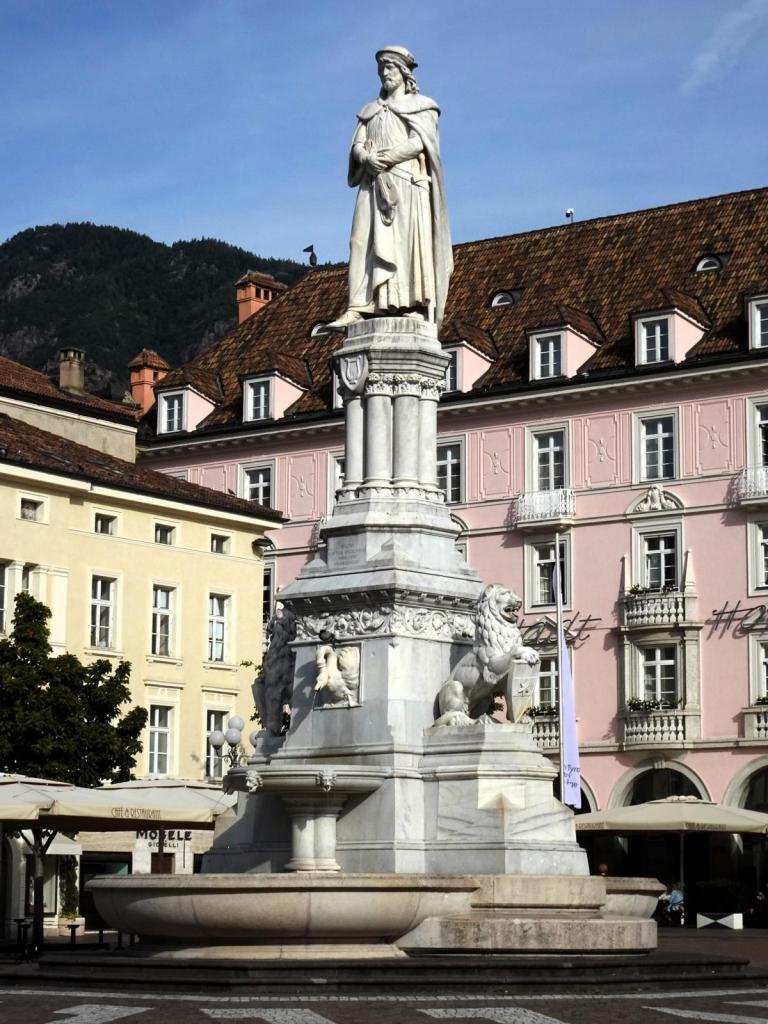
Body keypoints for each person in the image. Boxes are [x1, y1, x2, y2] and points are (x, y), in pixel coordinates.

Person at [329, 46, 453, 330]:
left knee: (405, 246)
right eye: (382, 68)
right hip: (372, 184)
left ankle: (411, 305)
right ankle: (358, 305)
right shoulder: (370, 111)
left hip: (406, 183)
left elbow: (420, 142)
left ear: (404, 72)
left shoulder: (423, 106)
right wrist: (365, 157)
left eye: (390, 68)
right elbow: (357, 143)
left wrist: (384, 158)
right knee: (359, 241)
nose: (385, 73)